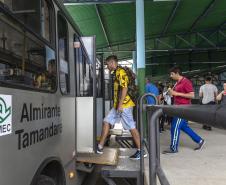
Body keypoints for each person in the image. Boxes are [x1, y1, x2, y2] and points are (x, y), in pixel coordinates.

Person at [97, 55, 147, 160]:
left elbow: (124, 88)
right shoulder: (116, 72)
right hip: (118, 105)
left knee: (131, 127)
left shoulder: (120, 72)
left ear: (112, 63)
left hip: (124, 105)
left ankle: (141, 151)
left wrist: (120, 105)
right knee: (106, 121)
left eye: (107, 64)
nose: (107, 67)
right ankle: (100, 147)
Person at [163, 66, 205, 154]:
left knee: (174, 127)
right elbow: (176, 94)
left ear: (177, 73)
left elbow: (192, 95)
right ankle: (200, 140)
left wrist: (176, 93)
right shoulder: (177, 83)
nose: (171, 76)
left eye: (172, 74)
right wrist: (171, 93)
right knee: (184, 127)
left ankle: (173, 148)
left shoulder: (186, 82)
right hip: (178, 107)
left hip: (183, 108)